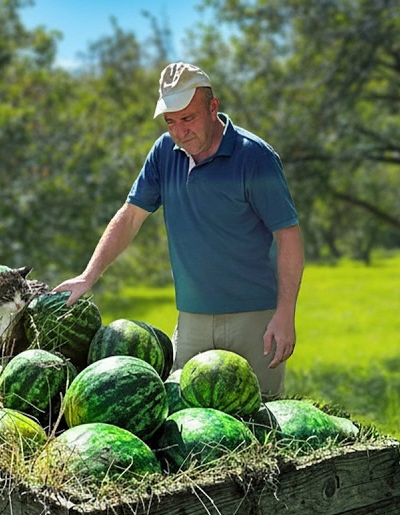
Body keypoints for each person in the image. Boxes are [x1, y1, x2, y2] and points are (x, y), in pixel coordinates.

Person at [54, 62, 304, 398]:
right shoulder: (163, 153)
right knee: (188, 420)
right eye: (171, 122)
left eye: (188, 118)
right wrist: (88, 276)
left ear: (213, 108)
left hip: (254, 320)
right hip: (192, 321)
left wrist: (285, 314)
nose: (180, 131)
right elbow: (129, 217)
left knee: (258, 417)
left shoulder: (254, 157)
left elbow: (287, 236)